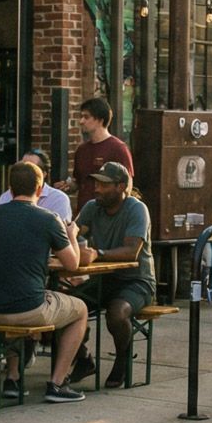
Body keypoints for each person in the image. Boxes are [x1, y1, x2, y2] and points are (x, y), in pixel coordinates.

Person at [0, 160, 89, 403]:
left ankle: (14, 378)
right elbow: (72, 265)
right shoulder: (49, 219)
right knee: (80, 310)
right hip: (28, 309)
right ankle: (57, 383)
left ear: (10, 188)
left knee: (16, 293)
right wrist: (71, 235)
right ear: (40, 189)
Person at [74, 162, 151, 389]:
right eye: (96, 183)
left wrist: (97, 253)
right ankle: (83, 359)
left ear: (121, 187)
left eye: (104, 184)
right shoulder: (91, 207)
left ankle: (122, 358)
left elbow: (131, 251)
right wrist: (75, 242)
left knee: (117, 314)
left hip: (136, 281)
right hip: (103, 279)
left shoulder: (136, 209)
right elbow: (73, 233)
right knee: (63, 306)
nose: (96, 188)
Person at [66, 97, 132, 212]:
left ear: (100, 120)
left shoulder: (118, 148)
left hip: (106, 215)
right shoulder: (81, 150)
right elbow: (79, 182)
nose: (81, 121)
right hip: (84, 214)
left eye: (86, 117)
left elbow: (127, 186)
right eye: (81, 117)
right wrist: (67, 186)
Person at [0, 149, 72, 222]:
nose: (24, 172)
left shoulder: (58, 199)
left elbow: (61, 231)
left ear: (44, 174)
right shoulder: (7, 196)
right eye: (21, 166)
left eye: (30, 168)